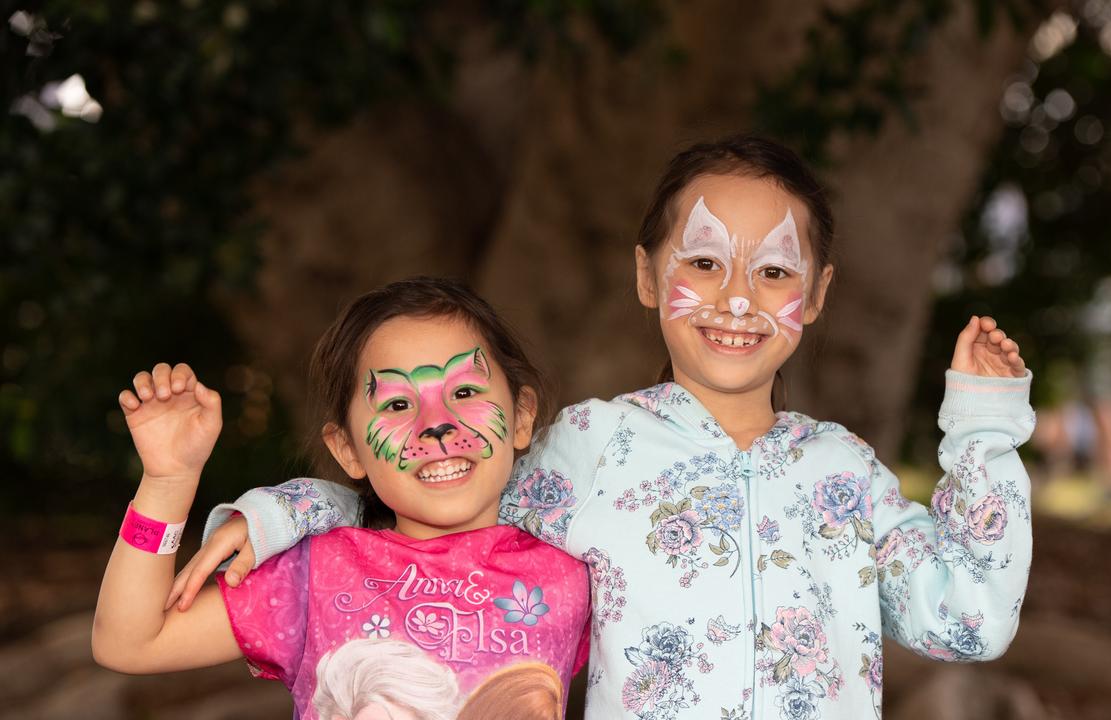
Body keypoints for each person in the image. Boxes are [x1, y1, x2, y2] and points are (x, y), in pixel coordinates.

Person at [178, 136, 1035, 719]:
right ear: (648, 276)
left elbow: (970, 619)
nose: (737, 298)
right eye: (702, 260)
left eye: (774, 271)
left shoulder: (844, 470)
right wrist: (286, 513)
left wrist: (984, 434)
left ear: (813, 296)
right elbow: (431, 491)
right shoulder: (590, 450)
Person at [92, 277, 592, 720]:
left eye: (463, 393)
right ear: (349, 450)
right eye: (398, 404)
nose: (437, 424)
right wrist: (168, 482)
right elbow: (129, 642)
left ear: (522, 416)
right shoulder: (317, 571)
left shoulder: (577, 574)